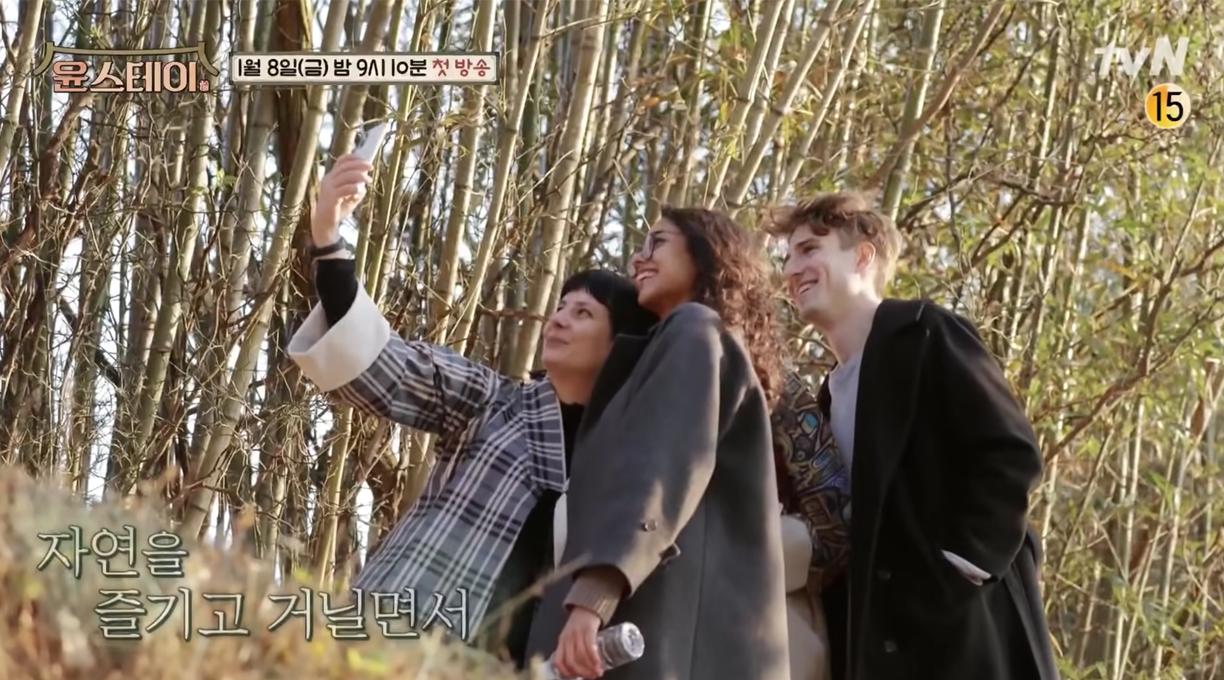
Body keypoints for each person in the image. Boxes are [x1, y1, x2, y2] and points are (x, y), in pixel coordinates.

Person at [285, 153, 658, 667]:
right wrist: (328, 239)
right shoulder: (492, 400)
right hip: (396, 628)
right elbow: (386, 364)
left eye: (583, 313)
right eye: (560, 308)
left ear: (617, 346)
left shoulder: (619, 463)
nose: (558, 321)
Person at [769, 191, 1060, 680]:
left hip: (964, 633)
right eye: (787, 257)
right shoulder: (828, 396)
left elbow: (1009, 454)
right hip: (887, 649)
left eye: (809, 249)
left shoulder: (925, 333)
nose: (791, 269)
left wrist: (959, 570)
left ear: (862, 256)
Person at [524, 207, 792, 680]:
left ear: (707, 254)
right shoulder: (675, 349)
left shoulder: (695, 330)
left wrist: (592, 598)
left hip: (656, 631)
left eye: (658, 242)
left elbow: (660, 471)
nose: (638, 259)